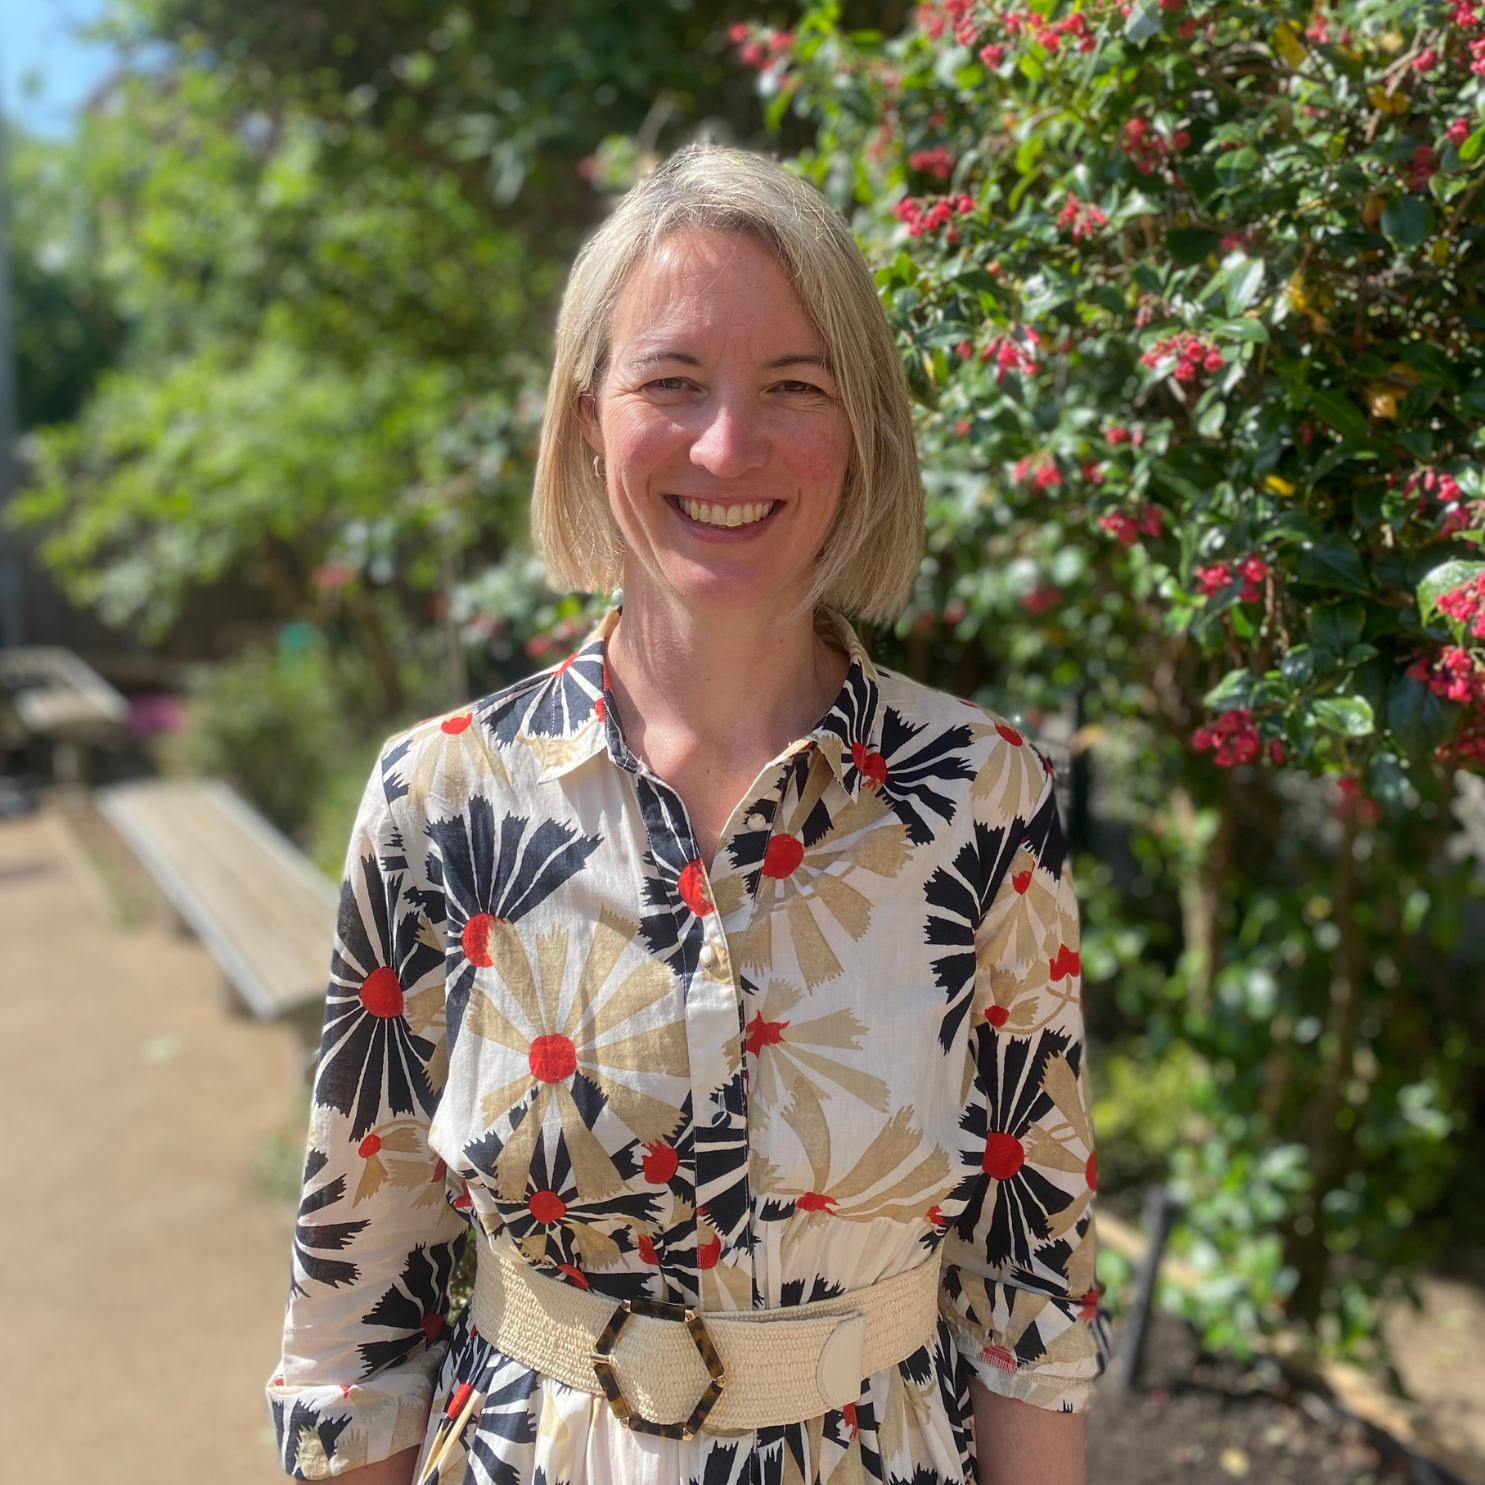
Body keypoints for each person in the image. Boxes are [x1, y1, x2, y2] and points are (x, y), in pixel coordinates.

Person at [268, 144, 1107, 1485]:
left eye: (794, 387)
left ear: (862, 430)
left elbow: (1030, 1286)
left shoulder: (984, 800)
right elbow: (357, 1306)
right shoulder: (438, 801)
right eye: (672, 382)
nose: (728, 446)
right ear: (587, 413)